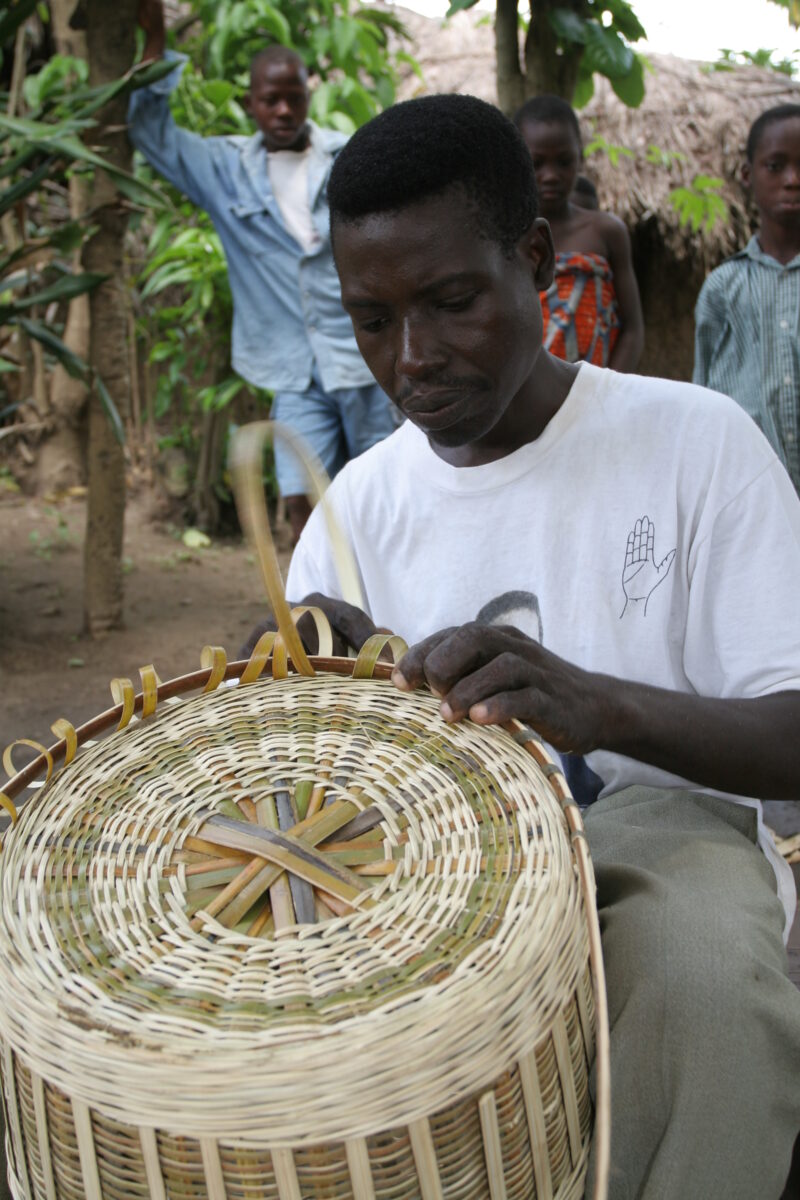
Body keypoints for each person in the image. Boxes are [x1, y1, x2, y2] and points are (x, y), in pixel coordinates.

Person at [244, 93, 800, 1199]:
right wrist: (308, 687)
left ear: (536, 259)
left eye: (451, 303)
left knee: (696, 973)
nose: (411, 359)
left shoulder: (693, 445)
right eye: (370, 320)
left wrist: (600, 707)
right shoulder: (355, 507)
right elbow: (309, 796)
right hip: (428, 869)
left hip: (657, 830)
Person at [128, 0, 397, 541]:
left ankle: (390, 613)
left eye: (293, 99)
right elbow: (154, 137)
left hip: (362, 360)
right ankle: (322, 617)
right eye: (270, 101)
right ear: (251, 104)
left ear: (308, 96)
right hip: (291, 367)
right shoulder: (225, 171)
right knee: (302, 504)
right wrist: (154, 44)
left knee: (385, 494)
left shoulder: (349, 158)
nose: (282, 112)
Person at [694, 103, 800, 495]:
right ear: (747, 175)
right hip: (753, 494)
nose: (793, 179)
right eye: (776, 166)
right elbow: (705, 396)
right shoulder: (723, 287)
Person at [513, 95, 643, 372]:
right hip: (524, 395)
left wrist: (607, 390)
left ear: (580, 159)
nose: (550, 175)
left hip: (597, 393)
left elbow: (632, 329)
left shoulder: (606, 232)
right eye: (537, 163)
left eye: (563, 161)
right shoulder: (506, 239)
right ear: (517, 162)